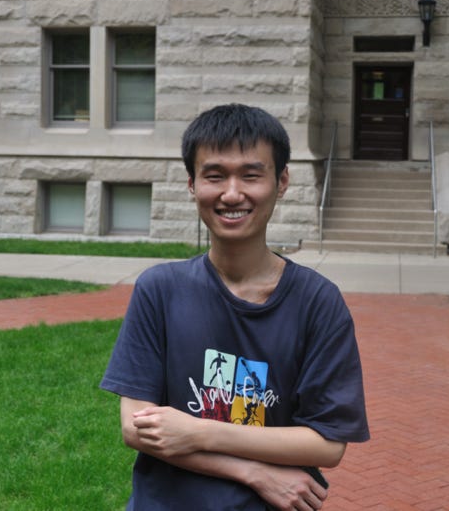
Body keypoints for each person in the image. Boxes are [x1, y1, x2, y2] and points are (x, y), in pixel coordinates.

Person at [100, 103, 370, 510]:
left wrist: (198, 431)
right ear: (192, 184)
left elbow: (327, 443)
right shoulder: (160, 289)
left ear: (281, 182)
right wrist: (253, 472)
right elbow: (136, 429)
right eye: (214, 176)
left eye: (250, 175)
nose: (231, 193)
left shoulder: (318, 302)